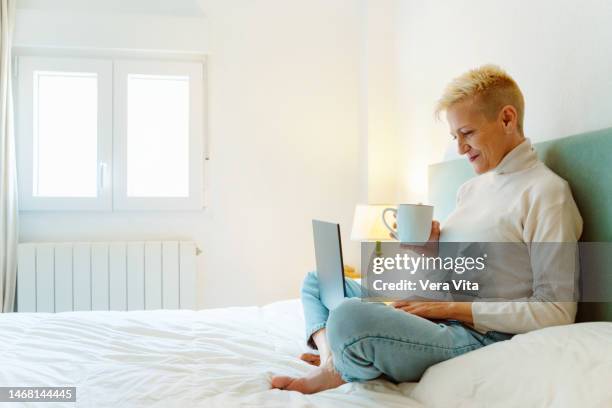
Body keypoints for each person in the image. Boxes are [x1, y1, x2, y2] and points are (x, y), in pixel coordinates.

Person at [271, 65, 583, 394]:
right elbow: (450, 281)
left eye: (468, 133)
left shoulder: (546, 193)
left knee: (349, 317)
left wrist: (448, 309)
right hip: (435, 312)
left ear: (507, 119)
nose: (461, 149)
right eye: (455, 137)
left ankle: (339, 364)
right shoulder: (471, 189)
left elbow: (557, 310)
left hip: (475, 335)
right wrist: (431, 254)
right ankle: (329, 357)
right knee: (319, 279)